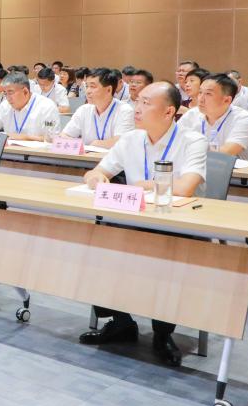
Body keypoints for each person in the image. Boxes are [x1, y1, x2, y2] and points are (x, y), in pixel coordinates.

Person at [79, 82, 207, 366]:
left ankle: (162, 333)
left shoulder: (192, 140)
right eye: (137, 101)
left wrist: (142, 184)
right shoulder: (130, 139)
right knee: (100, 244)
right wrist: (97, 178)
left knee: (165, 260)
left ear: (169, 111)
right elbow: (96, 172)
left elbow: (186, 187)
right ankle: (121, 322)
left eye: (146, 103)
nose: (137, 107)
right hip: (135, 219)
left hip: (177, 225)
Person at [177, 73, 248, 158]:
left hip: (230, 166)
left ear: (227, 100)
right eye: (200, 92)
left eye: (208, 94)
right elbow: (174, 142)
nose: (201, 99)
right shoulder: (192, 114)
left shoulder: (242, 118)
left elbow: (227, 153)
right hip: (195, 163)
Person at [60, 68, 135, 148]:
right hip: (87, 155)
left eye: (92, 86)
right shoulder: (84, 109)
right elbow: (64, 135)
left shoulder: (125, 110)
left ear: (109, 90)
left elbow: (121, 141)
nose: (88, 91)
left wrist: (95, 144)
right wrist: (81, 145)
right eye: (87, 86)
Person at [0, 71, 60, 140]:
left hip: (36, 152)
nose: (7, 98)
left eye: (10, 92)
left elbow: (52, 139)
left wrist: (25, 137)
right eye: (5, 93)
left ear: (25, 91)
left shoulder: (47, 106)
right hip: (9, 151)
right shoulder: (5, 105)